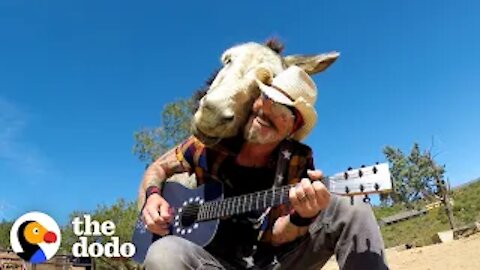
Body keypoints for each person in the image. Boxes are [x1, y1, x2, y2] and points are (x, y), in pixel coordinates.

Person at [138, 66, 389, 270]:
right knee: (163, 252)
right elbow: (158, 168)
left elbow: (278, 234)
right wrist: (152, 197)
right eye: (266, 97)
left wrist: (302, 216)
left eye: (282, 109)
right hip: (211, 263)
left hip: (272, 263)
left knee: (349, 207)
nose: (267, 110)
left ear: (293, 127)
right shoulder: (209, 144)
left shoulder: (297, 160)